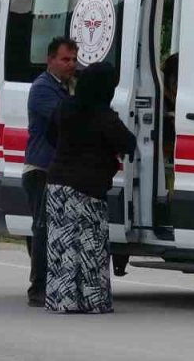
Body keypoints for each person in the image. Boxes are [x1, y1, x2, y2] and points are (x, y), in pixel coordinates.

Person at [44, 62, 135, 314]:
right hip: (88, 190)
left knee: (62, 245)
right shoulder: (103, 115)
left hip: (58, 186)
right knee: (90, 246)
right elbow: (127, 142)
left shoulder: (64, 107)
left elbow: (51, 135)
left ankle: (63, 301)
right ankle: (93, 301)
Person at [24, 37, 78, 306]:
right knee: (43, 229)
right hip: (41, 168)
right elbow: (66, 119)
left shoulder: (67, 87)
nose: (71, 64)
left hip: (58, 169)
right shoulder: (43, 89)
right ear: (50, 60)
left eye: (73, 59)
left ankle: (52, 283)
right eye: (65, 59)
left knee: (52, 230)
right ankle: (37, 290)